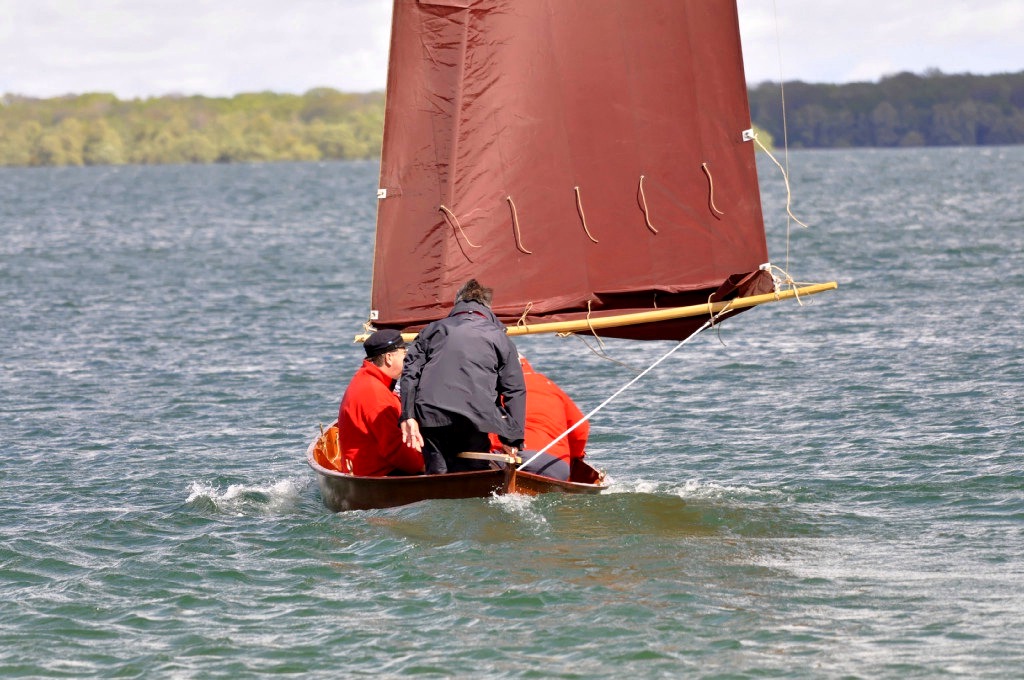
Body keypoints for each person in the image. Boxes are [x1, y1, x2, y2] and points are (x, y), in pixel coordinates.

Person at [400, 279, 526, 474]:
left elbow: (410, 374)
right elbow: (514, 390)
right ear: (487, 307)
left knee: (438, 475)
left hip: (431, 416)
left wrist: (408, 416)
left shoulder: (432, 330)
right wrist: (512, 439)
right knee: (472, 476)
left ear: (457, 303)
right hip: (475, 418)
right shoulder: (499, 337)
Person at [337, 329, 425, 476]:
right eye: (404, 354)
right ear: (389, 358)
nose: (408, 359)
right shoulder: (377, 395)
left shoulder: (364, 378)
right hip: (378, 474)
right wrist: (425, 466)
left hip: (363, 468)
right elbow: (395, 449)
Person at [493, 354, 589, 481]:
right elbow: (581, 428)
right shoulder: (549, 386)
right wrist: (575, 460)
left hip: (504, 459)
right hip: (553, 465)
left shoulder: (492, 388)